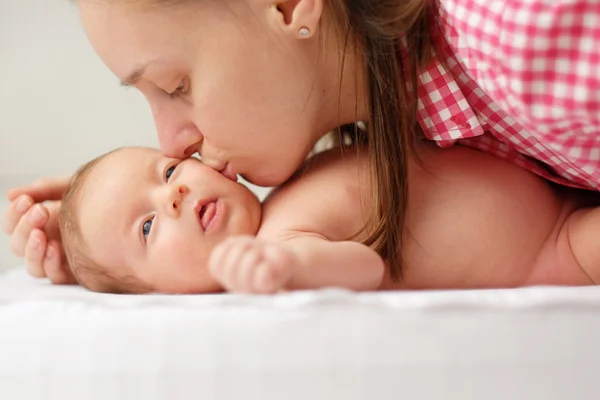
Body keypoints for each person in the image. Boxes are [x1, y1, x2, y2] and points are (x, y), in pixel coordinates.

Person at [4, 0, 600, 286]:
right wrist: (96, 235)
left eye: (175, 85)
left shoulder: (519, 36)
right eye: (147, 226)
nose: (172, 146)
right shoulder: (418, 101)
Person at [59, 141, 599, 295]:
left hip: (550, 167)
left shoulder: (285, 173)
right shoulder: (281, 239)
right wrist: (288, 268)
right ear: (160, 293)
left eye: (169, 168)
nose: (172, 195)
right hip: (556, 245)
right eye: (148, 227)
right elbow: (362, 267)